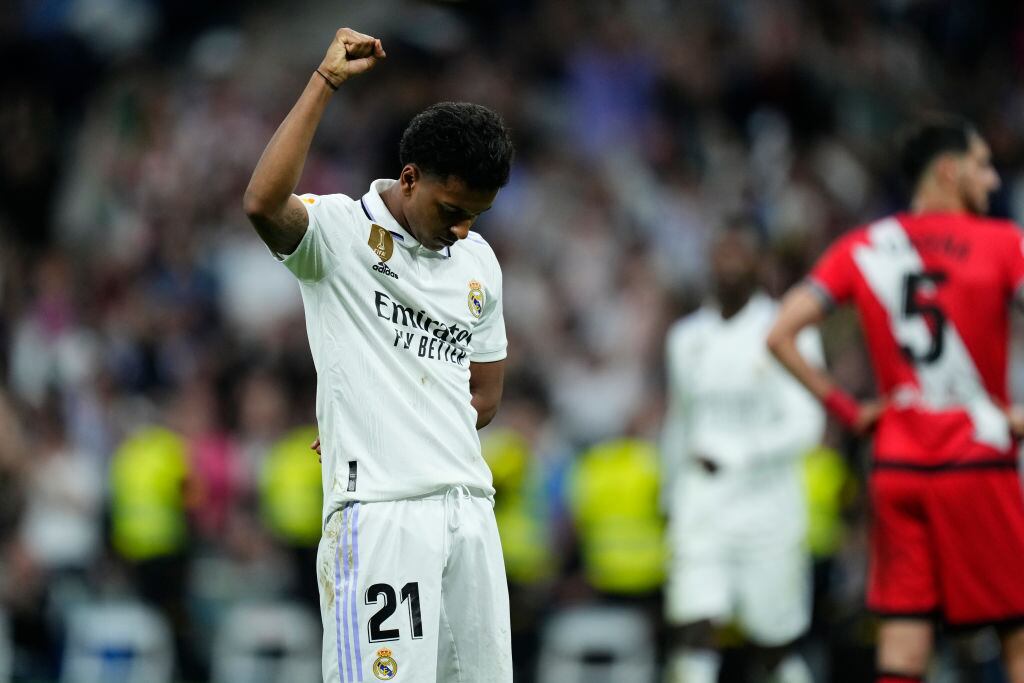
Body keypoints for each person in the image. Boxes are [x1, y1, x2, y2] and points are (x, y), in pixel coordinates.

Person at [243, 27, 515, 683]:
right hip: (382, 516)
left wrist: (391, 410)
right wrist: (325, 82)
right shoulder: (338, 233)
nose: (462, 230)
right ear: (410, 177)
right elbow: (261, 203)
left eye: (475, 215)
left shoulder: (477, 261)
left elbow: (484, 395)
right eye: (451, 209)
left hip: (471, 511)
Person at [767, 115, 1024, 683]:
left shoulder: (864, 246)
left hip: (897, 467)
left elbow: (779, 334)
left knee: (903, 648)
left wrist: (850, 412)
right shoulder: (1005, 243)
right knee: (1017, 637)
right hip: (976, 462)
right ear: (948, 171)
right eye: (982, 166)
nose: (992, 181)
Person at [661, 224, 825, 683]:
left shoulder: (787, 332)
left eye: (740, 253)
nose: (728, 262)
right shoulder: (686, 337)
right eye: (720, 252)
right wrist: (670, 494)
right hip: (702, 505)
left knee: (772, 647)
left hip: (767, 507)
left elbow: (807, 424)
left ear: (759, 263)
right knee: (693, 631)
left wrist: (741, 453)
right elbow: (680, 421)